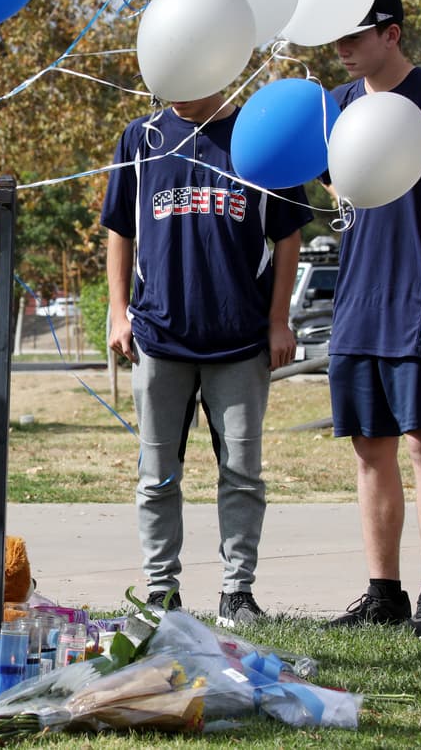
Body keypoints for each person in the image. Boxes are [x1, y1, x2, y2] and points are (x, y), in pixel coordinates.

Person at [102, 91, 311, 626]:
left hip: (239, 340)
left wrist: (278, 319)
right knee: (156, 476)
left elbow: (287, 235)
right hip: (159, 334)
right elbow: (120, 229)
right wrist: (118, 310)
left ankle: (237, 594)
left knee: (242, 474)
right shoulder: (141, 138)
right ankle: (159, 593)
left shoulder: (259, 137)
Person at [323, 0, 421, 636]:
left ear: (392, 34)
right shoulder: (335, 108)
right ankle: (385, 592)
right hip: (356, 299)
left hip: (419, 297)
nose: (343, 50)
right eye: (337, 38)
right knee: (368, 447)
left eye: (356, 36)